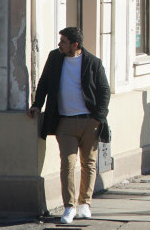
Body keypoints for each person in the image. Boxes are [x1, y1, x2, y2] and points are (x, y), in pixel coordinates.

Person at [27, 27, 110, 224]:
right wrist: (37, 105)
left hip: (89, 122)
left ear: (75, 45)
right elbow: (44, 82)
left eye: (63, 41)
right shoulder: (55, 58)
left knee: (88, 163)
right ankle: (69, 207)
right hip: (64, 121)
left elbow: (104, 90)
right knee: (67, 164)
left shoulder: (92, 62)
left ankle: (85, 204)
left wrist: (98, 117)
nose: (59, 45)